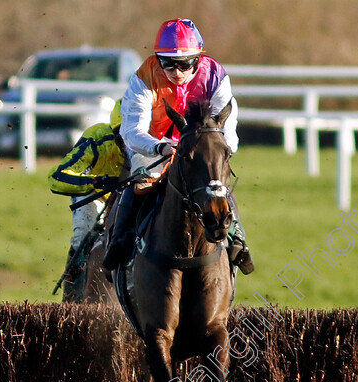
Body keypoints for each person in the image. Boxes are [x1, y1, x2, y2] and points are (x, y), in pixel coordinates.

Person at [102, 18, 253, 274]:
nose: (176, 71)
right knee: (143, 179)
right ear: (157, 59)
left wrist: (217, 150)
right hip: (152, 144)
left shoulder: (215, 75)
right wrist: (159, 148)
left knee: (215, 180)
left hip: (198, 143)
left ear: (198, 58)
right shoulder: (143, 77)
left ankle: (237, 239)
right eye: (168, 63)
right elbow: (132, 131)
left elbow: (226, 129)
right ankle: (121, 240)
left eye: (184, 64)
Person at [48, 99, 128, 299]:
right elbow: (56, 177)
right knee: (85, 229)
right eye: (124, 135)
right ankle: (73, 294)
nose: (130, 145)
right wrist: (95, 183)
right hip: (96, 194)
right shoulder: (98, 137)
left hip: (131, 194)